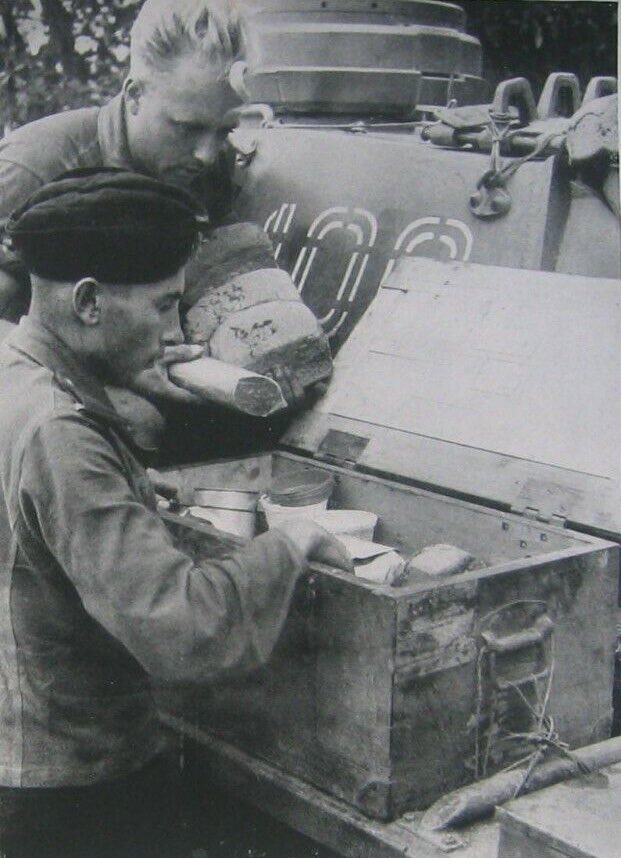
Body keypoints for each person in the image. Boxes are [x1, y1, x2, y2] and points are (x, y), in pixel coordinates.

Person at [0, 168, 351, 858]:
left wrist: (133, 481)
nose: (175, 331)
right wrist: (293, 543)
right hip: (71, 786)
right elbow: (178, 628)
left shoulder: (17, 372)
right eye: (163, 308)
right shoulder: (62, 435)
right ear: (91, 302)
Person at [0, 0, 243, 325]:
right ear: (134, 96)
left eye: (224, 131)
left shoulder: (214, 169)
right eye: (188, 129)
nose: (207, 155)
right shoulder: (35, 169)